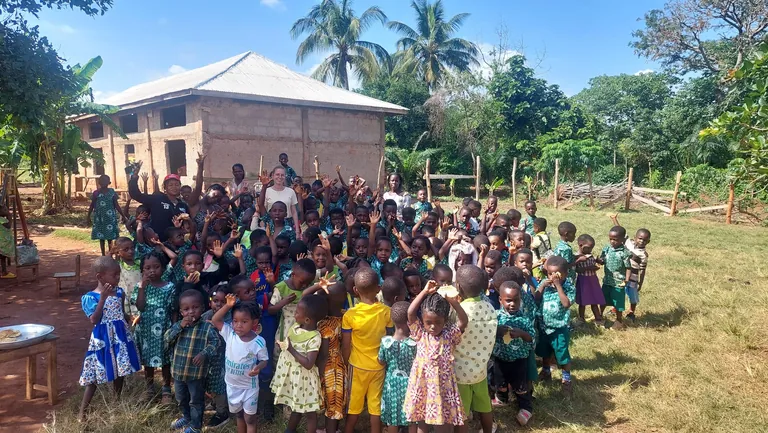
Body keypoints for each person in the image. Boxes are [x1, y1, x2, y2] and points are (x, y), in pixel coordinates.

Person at [77, 257, 141, 422]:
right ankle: (82, 413)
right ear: (100, 277)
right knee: (94, 376)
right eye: (114, 275)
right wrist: (103, 298)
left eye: (119, 275)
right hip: (103, 339)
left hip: (119, 337)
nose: (118, 278)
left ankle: (115, 403)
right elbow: (94, 319)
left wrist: (130, 317)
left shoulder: (119, 292)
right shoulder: (90, 297)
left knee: (120, 372)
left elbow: (120, 313)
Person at [404, 281, 468, 432]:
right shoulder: (420, 333)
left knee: (444, 423)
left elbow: (463, 321)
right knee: (422, 422)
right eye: (428, 322)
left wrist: (453, 302)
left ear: (445, 321)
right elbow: (410, 313)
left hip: (443, 386)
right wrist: (424, 292)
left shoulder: (449, 334)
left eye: (438, 322)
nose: (433, 326)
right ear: (423, 321)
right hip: (423, 384)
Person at [342, 267, 393, 433]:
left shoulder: (350, 315)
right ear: (379, 289)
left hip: (357, 366)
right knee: (375, 406)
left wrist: (344, 361)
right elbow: (390, 336)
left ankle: (347, 430)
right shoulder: (386, 312)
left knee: (354, 405)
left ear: (355, 290)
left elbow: (346, 344)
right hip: (378, 366)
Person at [211, 294, 269, 433]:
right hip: (232, 385)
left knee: (250, 418)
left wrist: (258, 368)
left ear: (254, 323)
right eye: (235, 321)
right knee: (238, 414)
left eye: (244, 321)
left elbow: (264, 361)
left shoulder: (258, 342)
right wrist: (228, 305)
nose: (238, 325)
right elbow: (215, 319)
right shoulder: (229, 334)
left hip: (249, 387)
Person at [165, 289, 220, 433]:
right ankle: (186, 417)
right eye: (186, 309)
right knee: (181, 398)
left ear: (202, 308)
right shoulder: (179, 326)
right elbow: (167, 339)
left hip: (196, 374)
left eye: (195, 308)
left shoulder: (207, 327)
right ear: (181, 312)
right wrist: (179, 326)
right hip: (178, 371)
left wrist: (204, 353)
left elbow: (215, 343)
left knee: (196, 401)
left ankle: (196, 426)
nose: (191, 312)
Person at [271, 295, 326, 433]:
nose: (294, 314)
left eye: (297, 313)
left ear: (307, 319)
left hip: (304, 380)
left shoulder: (314, 337)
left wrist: (290, 349)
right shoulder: (296, 327)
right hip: (294, 377)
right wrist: (283, 346)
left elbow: (308, 363)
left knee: (310, 413)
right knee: (297, 406)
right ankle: (290, 430)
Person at [453, 265, 497, 433]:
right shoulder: (490, 308)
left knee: (461, 412)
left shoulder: (459, 311)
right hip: (480, 368)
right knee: (484, 406)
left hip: (459, 371)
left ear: (458, 287)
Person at [130, 251, 175, 403]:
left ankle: (166, 388)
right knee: (148, 360)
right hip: (146, 329)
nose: (152, 271)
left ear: (163, 268)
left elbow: (173, 309)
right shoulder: (140, 287)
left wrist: (174, 329)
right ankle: (149, 388)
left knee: (165, 360)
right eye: (147, 268)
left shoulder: (169, 287)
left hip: (164, 329)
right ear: (142, 270)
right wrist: (142, 287)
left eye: (156, 267)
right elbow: (140, 307)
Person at [493, 281, 535, 426]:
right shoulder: (496, 317)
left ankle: (526, 407)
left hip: (518, 360)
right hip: (500, 358)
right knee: (500, 381)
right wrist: (497, 331)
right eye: (508, 300)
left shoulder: (524, 320)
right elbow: (488, 334)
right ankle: (502, 398)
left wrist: (522, 334)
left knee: (520, 386)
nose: (512, 304)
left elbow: (532, 338)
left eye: (515, 300)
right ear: (500, 300)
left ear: (520, 300)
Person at [534, 256, 576, 393]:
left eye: (556, 274)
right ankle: (546, 371)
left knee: (562, 354)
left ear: (565, 274)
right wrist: (541, 286)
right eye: (549, 273)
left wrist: (558, 285)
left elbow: (566, 304)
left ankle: (566, 378)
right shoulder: (545, 285)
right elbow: (536, 299)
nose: (552, 276)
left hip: (558, 328)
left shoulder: (568, 287)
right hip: (544, 325)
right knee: (545, 352)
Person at [378, 301, 417, 433]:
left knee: (392, 418)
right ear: (410, 320)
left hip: (391, 385)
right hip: (411, 384)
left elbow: (381, 361)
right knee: (413, 419)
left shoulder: (385, 342)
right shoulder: (415, 343)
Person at [317, 283, 348, 433]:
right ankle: (332, 429)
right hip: (341, 365)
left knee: (332, 404)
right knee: (335, 402)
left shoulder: (324, 325)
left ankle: (330, 430)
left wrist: (319, 371)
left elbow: (323, 354)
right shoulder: (346, 316)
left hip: (329, 368)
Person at [199, 285, 231, 431]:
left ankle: (222, 412)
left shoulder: (232, 317)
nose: (218, 304)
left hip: (224, 357)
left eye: (223, 301)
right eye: (215, 300)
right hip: (209, 357)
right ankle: (215, 402)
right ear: (210, 301)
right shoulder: (205, 316)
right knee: (211, 382)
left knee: (220, 385)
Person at [611, 214, 651, 321]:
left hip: (633, 278)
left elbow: (642, 270)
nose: (642, 241)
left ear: (648, 242)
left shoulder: (643, 255)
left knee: (632, 296)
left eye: (645, 240)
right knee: (619, 292)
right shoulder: (628, 243)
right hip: (622, 275)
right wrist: (614, 219)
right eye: (640, 238)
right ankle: (615, 309)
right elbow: (621, 233)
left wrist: (640, 282)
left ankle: (631, 312)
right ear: (635, 237)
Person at [598, 226, 632, 330]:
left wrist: (626, 280)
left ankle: (619, 321)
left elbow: (628, 267)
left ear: (622, 239)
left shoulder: (624, 252)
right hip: (607, 281)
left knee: (618, 303)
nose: (612, 241)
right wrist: (598, 260)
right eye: (611, 239)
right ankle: (599, 316)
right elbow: (602, 260)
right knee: (603, 300)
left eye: (615, 240)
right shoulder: (607, 248)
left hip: (618, 283)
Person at [87, 174, 129, 256]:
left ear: (108, 183)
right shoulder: (96, 193)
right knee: (101, 238)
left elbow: (116, 205)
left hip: (110, 218)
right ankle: (103, 255)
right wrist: (88, 216)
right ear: (99, 183)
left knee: (110, 238)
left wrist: (123, 216)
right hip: (99, 218)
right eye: (102, 181)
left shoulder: (112, 192)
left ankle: (110, 254)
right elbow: (92, 205)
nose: (103, 183)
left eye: (105, 181)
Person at [574, 234, 605, 326]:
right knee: (582, 302)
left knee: (594, 300)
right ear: (580, 245)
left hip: (592, 280)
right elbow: (577, 270)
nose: (590, 250)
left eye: (592, 248)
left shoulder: (590, 255)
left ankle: (598, 318)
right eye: (588, 248)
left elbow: (595, 260)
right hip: (583, 281)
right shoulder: (577, 256)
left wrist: (599, 261)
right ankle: (581, 318)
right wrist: (589, 268)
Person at [260, 167, 301, 232]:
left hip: (288, 224)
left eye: (282, 175)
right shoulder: (266, 191)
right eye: (277, 174)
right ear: (272, 176)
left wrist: (297, 230)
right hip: (271, 224)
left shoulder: (291, 191)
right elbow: (262, 208)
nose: (280, 177)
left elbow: (294, 212)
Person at [113, 237, 140, 325]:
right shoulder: (117, 265)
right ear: (118, 252)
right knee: (126, 322)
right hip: (124, 299)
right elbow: (107, 263)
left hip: (138, 298)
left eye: (132, 248)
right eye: (126, 249)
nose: (130, 251)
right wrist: (111, 253)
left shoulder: (139, 263)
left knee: (138, 321)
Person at [0, 205, 14, 279]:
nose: (7, 210)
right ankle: (4, 272)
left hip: (3, 242)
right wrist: (10, 216)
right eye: (5, 209)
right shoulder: (1, 219)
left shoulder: (2, 219)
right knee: (2, 257)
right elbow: (8, 226)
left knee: (3, 257)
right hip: (2, 243)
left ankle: (4, 272)